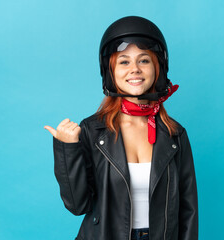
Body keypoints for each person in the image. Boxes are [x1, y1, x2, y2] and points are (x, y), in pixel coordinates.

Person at [44, 16, 198, 240]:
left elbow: (189, 211)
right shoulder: (93, 131)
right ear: (111, 72)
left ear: (157, 68)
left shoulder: (175, 134)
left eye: (144, 60)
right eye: (124, 62)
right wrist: (68, 149)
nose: (134, 69)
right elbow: (78, 205)